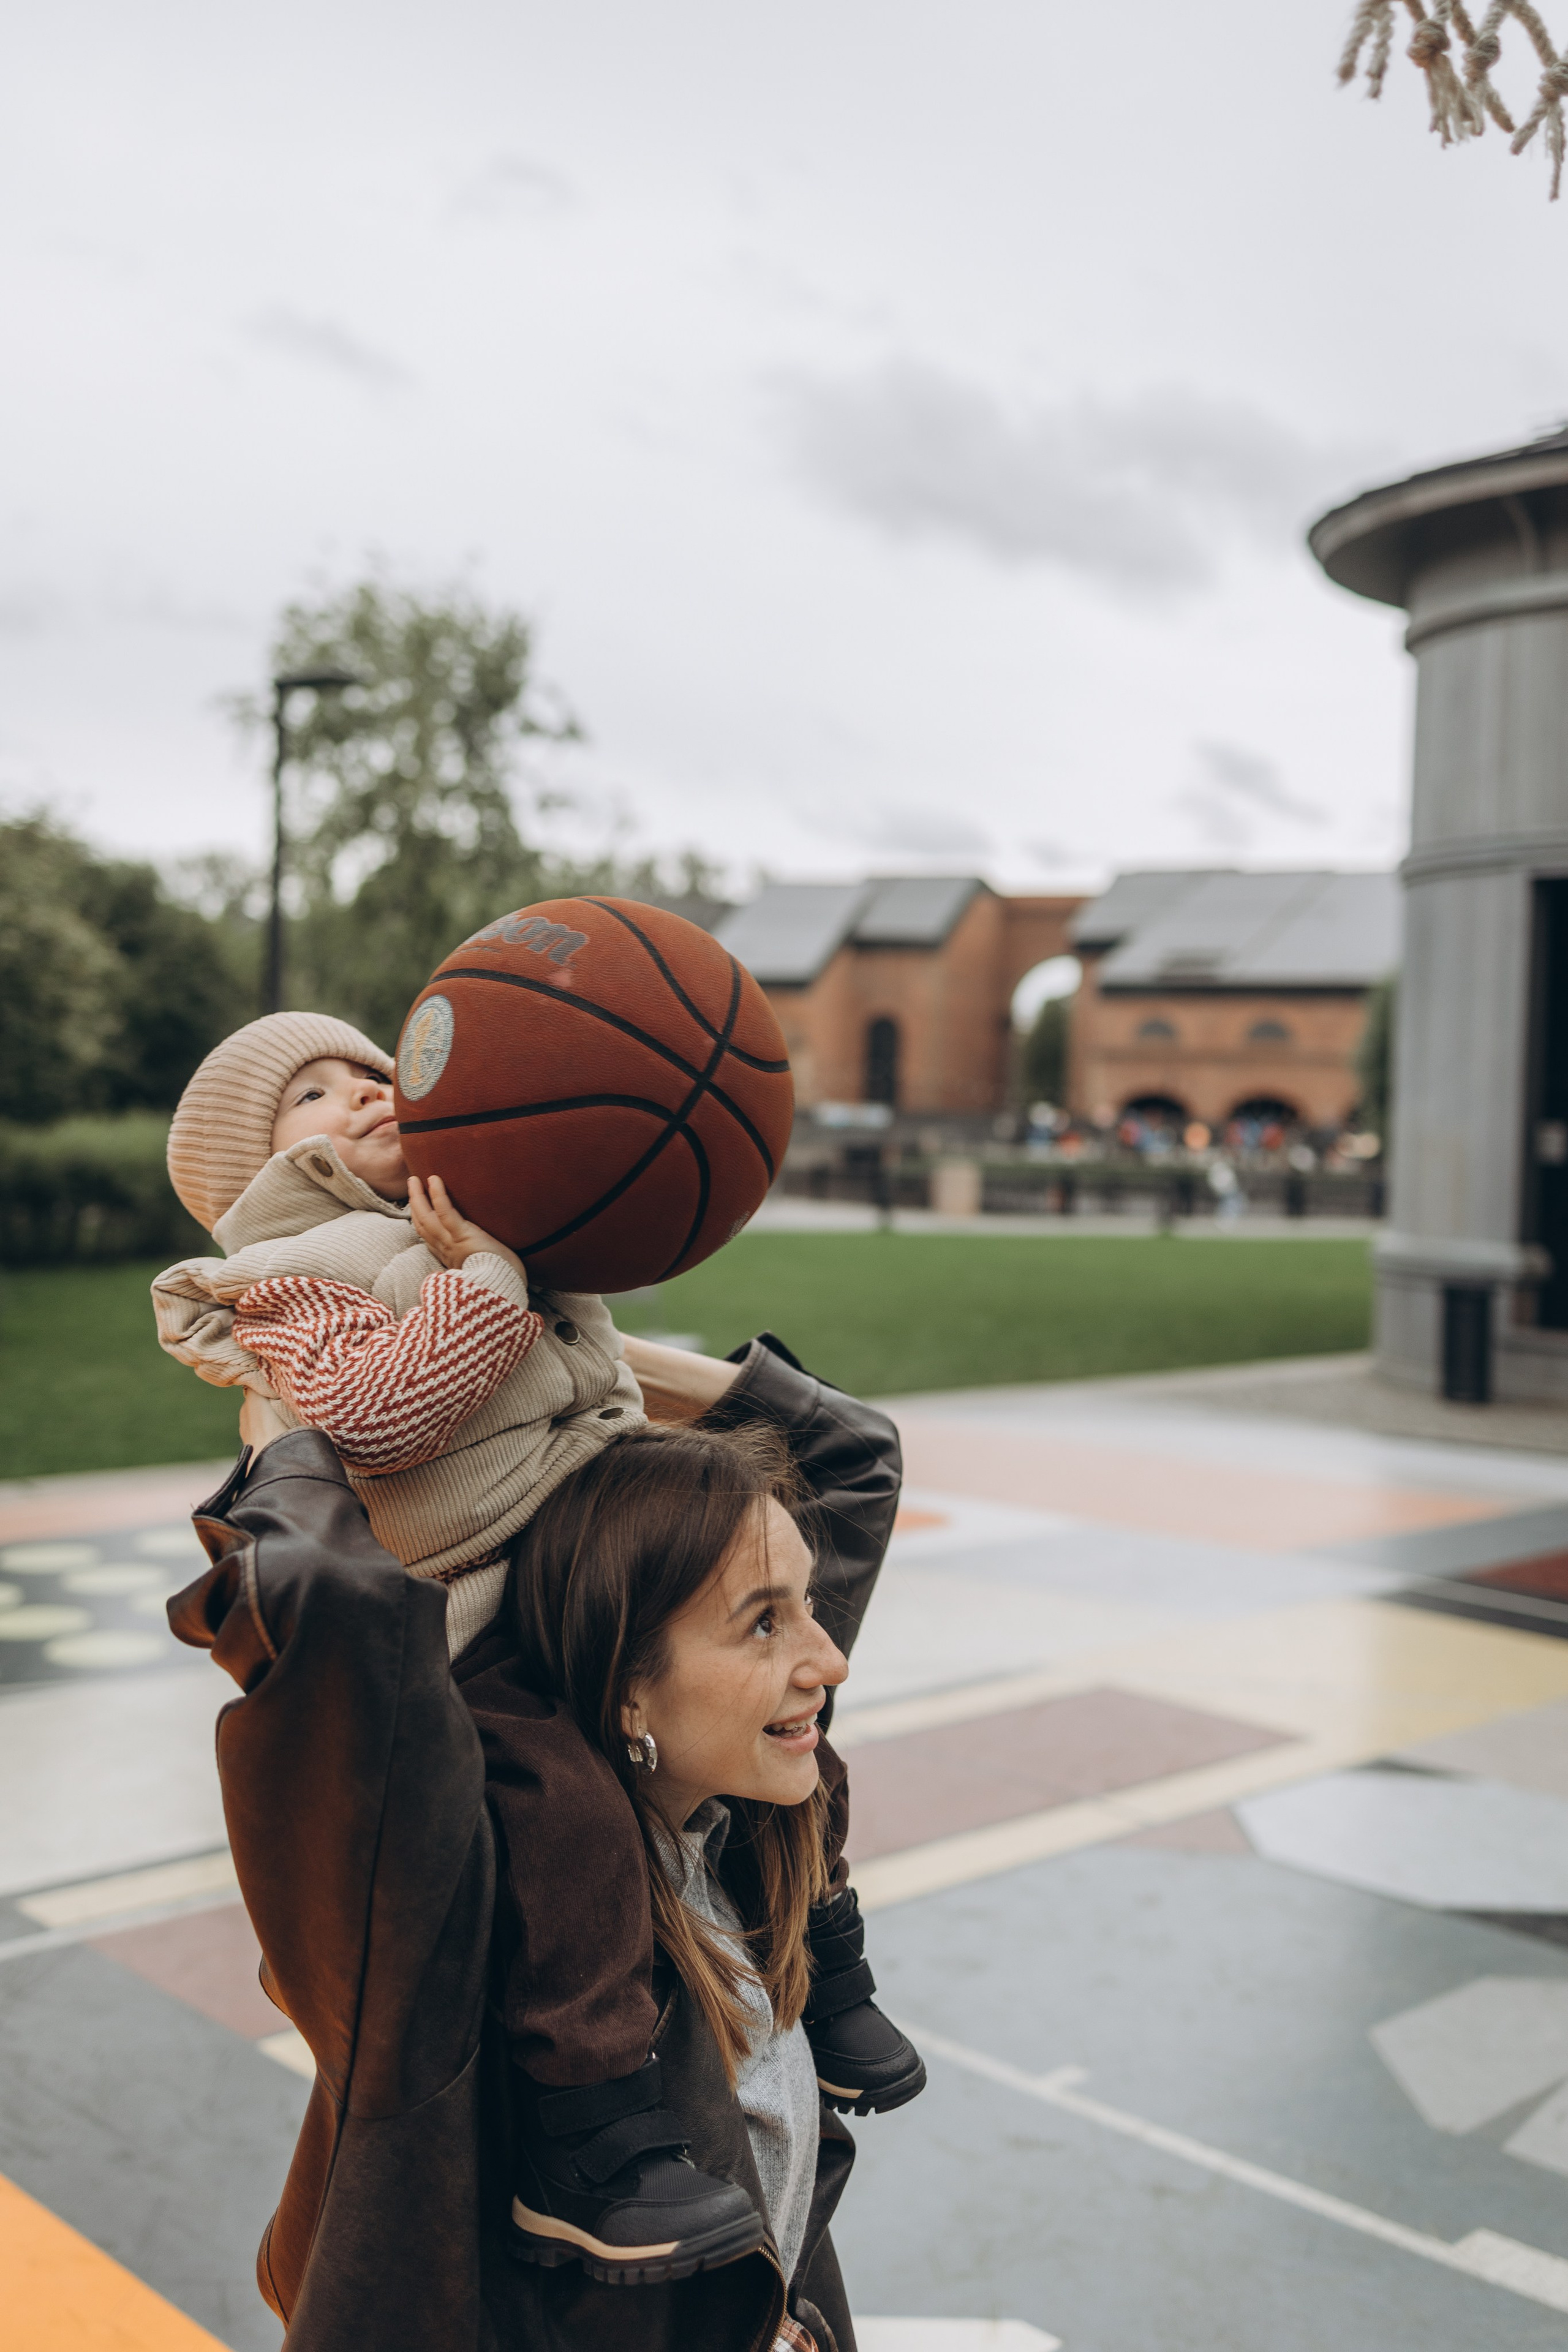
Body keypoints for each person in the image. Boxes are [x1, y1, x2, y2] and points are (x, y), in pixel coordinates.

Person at [154, 1011, 922, 2289]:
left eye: (375, 1070)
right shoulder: (439, 1896)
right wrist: (333, 1406)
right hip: (482, 1624)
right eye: (313, 1095)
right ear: (256, 1174)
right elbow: (349, 1490)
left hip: (583, 1559)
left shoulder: (727, 1784)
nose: (367, 1092)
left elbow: (846, 1457)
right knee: (564, 1810)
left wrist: (570, 1300)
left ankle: (827, 1970)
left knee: (807, 1759)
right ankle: (596, 2147)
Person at [172, 1331, 906, 2352]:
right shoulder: (475, 1919)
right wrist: (290, 1436)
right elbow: (336, 1624)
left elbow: (849, 1457)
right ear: (630, 1685)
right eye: (763, 1625)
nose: (830, 1661)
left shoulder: (737, 1823)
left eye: (811, 1607)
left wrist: (563, 1340)